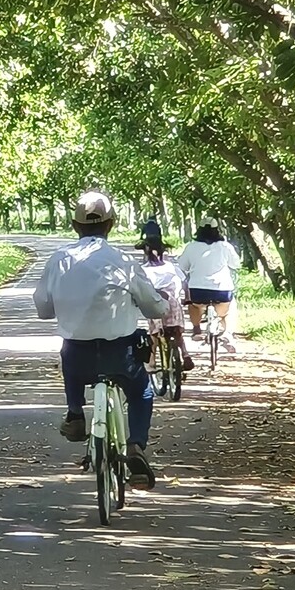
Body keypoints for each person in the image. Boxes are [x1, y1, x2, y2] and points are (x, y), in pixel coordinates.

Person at [34, 191, 169, 482]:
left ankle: (75, 413)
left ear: (74, 225)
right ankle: (135, 445)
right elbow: (153, 306)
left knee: (68, 353)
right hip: (120, 353)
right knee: (141, 392)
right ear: (111, 223)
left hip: (78, 356)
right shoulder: (123, 260)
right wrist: (161, 303)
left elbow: (43, 309)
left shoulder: (59, 260)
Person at [179, 217, 241, 349]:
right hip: (222, 291)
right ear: (217, 230)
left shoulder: (191, 247)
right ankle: (228, 333)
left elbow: (182, 266)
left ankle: (196, 329)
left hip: (198, 291)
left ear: (199, 230)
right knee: (228, 310)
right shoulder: (225, 246)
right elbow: (236, 264)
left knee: (194, 306)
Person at [141, 238, 195, 373]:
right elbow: (184, 283)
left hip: (155, 303)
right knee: (177, 332)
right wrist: (187, 298)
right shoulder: (171, 267)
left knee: (153, 333)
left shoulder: (142, 270)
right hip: (172, 303)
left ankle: (151, 362)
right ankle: (185, 354)